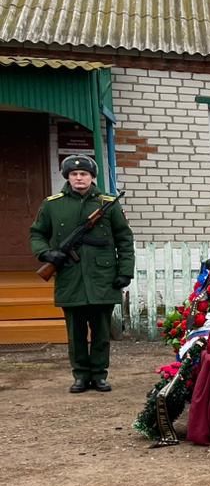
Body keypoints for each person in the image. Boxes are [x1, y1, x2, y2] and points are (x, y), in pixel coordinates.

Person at [29, 155, 135, 393]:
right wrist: (46, 254)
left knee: (101, 332)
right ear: (67, 177)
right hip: (70, 276)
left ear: (92, 177)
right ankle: (80, 376)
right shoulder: (52, 204)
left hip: (102, 277)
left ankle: (99, 375)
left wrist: (125, 271)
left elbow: (124, 239)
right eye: (74, 174)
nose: (79, 178)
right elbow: (36, 234)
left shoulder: (107, 203)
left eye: (84, 174)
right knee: (75, 333)